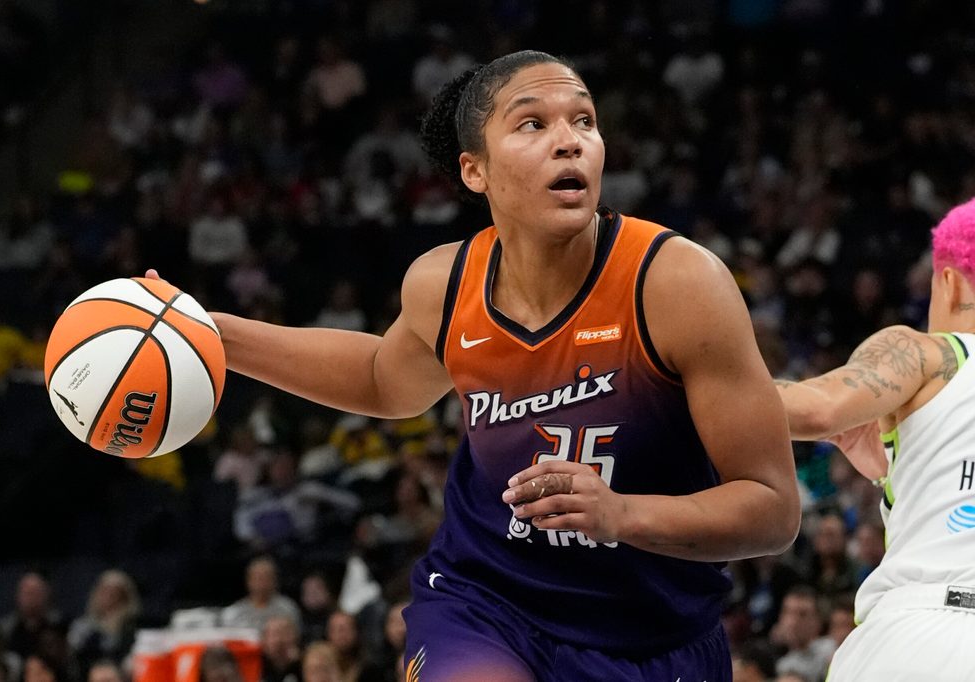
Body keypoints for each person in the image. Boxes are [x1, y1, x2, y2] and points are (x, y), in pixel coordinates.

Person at [150, 49, 799, 681]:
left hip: (653, 637)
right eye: (532, 123)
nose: (570, 141)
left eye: (584, 120)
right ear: (474, 171)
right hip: (486, 600)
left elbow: (772, 511)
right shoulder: (443, 284)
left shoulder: (677, 284)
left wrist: (622, 515)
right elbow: (383, 377)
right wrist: (219, 337)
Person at [776, 196, 975, 681]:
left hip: (923, 634)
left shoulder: (929, 351)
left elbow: (815, 408)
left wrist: (663, 384)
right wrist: (903, 472)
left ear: (947, 283)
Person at [220, 556, 302, 632]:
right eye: (258, 578)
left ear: (275, 581)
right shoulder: (233, 613)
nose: (262, 583)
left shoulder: (288, 609)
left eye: (267, 578)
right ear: (248, 581)